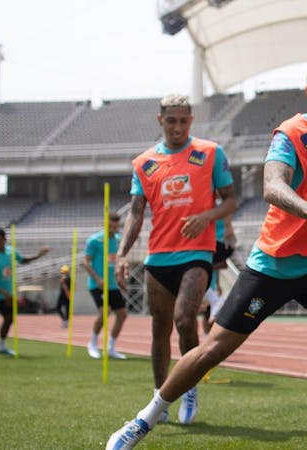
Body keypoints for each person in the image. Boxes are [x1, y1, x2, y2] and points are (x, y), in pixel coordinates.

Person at [107, 56, 307, 450]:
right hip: (272, 263)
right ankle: (143, 420)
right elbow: (272, 186)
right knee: (212, 350)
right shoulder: (290, 133)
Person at [113, 93, 237, 428]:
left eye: (184, 120)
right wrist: (122, 254)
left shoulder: (210, 153)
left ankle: (190, 389)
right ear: (160, 121)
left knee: (185, 320)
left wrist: (207, 216)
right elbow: (136, 214)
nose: (178, 127)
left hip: (197, 254)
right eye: (172, 121)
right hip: (158, 257)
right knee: (159, 328)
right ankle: (159, 397)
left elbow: (230, 200)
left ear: (191, 121)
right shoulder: (144, 163)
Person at [0, 228, 50, 355]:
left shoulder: (11, 252)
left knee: (9, 318)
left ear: (4, 239)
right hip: (0, 293)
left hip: (7, 294)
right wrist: (4, 293)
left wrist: (38, 255)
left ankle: (1, 345)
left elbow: (23, 260)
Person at [81, 212, 128, 359]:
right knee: (105, 311)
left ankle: (111, 347)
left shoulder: (119, 239)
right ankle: (93, 343)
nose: (113, 230)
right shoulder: (95, 241)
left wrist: (122, 276)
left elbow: (120, 260)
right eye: (110, 226)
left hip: (113, 285)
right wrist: (97, 278)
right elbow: (85, 262)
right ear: (105, 224)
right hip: (98, 285)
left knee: (122, 314)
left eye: (116, 227)